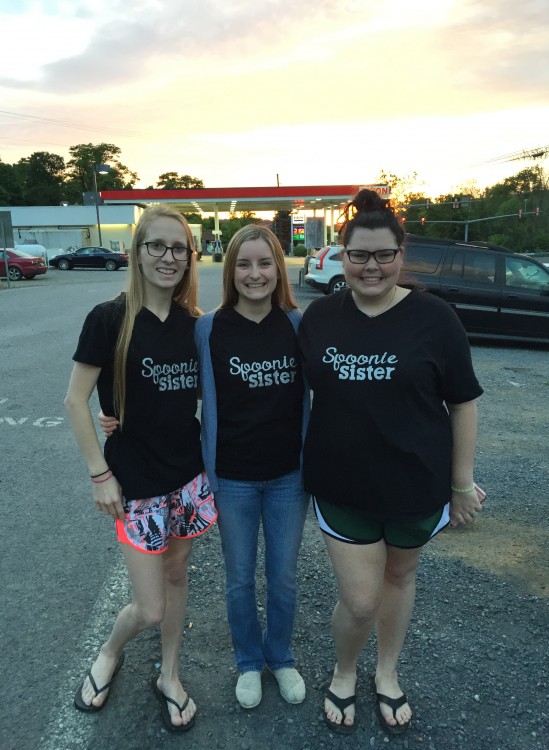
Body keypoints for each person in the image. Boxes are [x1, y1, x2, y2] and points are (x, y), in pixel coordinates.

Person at [297, 189, 484, 735]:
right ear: (342, 256)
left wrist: (461, 484)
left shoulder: (436, 318)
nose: (371, 266)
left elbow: (463, 402)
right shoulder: (320, 319)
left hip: (416, 486)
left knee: (400, 578)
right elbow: (280, 391)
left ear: (401, 255)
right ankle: (344, 669)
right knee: (359, 601)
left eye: (383, 255)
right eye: (359, 255)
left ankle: (387, 671)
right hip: (342, 486)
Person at [65, 205, 217, 733]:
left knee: (177, 574)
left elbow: (208, 399)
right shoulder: (109, 319)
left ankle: (169, 675)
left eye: (179, 248)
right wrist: (99, 474)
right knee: (149, 606)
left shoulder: (195, 326)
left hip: (188, 479)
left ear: (189, 257)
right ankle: (111, 652)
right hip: (135, 483)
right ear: (137, 252)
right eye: (157, 246)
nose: (168, 257)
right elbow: (74, 401)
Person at [195, 224, 310, 710]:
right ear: (230, 269)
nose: (254, 273)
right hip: (233, 479)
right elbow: (172, 387)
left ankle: (279, 657)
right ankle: (248, 662)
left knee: (282, 577)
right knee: (240, 578)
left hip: (289, 478)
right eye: (244, 264)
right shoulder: (208, 328)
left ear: (278, 269)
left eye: (265, 263)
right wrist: (114, 412)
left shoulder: (299, 325)